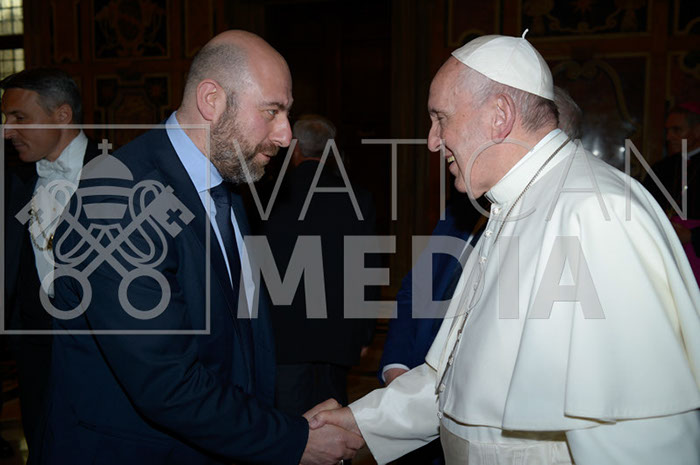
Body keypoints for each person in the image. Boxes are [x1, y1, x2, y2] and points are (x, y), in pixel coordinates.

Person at [311, 33, 700, 465]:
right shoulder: (512, 202)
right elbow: (460, 382)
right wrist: (359, 423)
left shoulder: (594, 211)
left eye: (441, 118)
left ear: (499, 116)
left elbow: (634, 437)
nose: (433, 140)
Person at [40, 31, 362, 465]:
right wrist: (291, 439)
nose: (286, 135)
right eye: (272, 112)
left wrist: (277, 425)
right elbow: (167, 384)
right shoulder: (118, 200)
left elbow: (237, 340)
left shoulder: (226, 184)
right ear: (212, 100)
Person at [2, 68, 100, 458]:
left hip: (106, 361)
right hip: (35, 362)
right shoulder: (14, 185)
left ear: (62, 115)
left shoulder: (123, 175)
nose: (7, 131)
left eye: (19, 118)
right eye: (6, 118)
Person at [261, 115, 376, 416]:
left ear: (295, 149)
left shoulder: (267, 197)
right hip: (337, 336)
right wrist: (364, 332)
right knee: (333, 422)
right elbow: (365, 271)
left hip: (283, 336)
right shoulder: (359, 198)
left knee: (288, 425)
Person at [643, 103, 700, 282]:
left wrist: (692, 236)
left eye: (677, 130)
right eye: (667, 131)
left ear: (697, 130)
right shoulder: (661, 168)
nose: (669, 137)